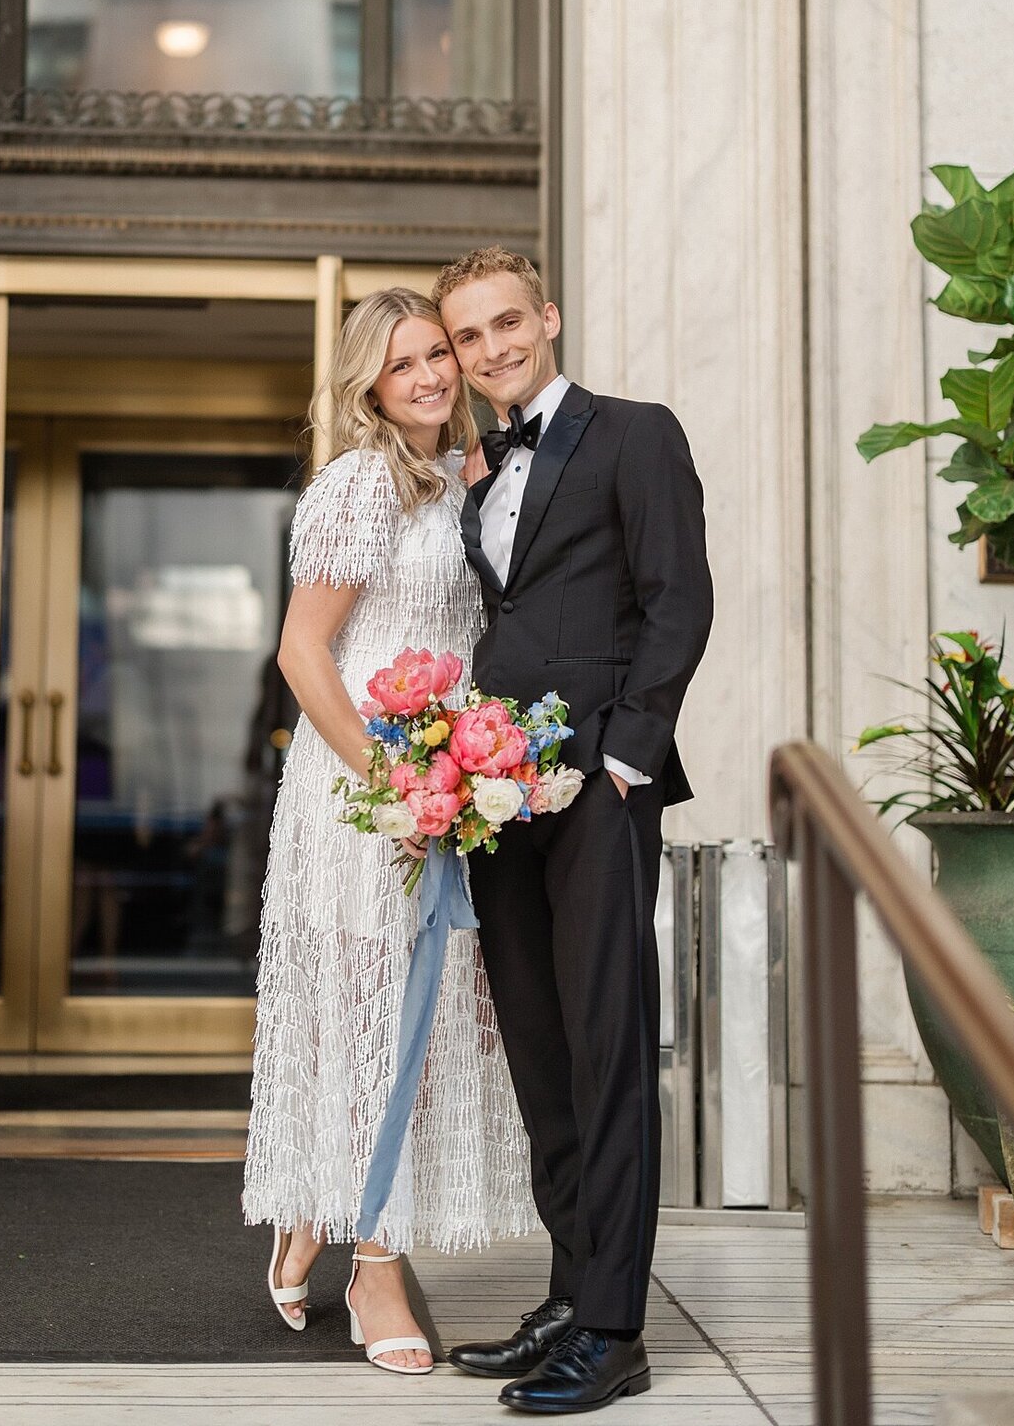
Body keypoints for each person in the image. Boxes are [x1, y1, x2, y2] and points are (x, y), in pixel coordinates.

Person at [435, 246, 714, 1415]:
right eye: (468, 338)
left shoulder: (634, 432)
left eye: (508, 323)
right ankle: (568, 1289)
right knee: (541, 1049)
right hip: (495, 797)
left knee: (607, 1048)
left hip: (595, 784)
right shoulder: (479, 469)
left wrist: (623, 757)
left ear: (547, 317)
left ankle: (615, 1327)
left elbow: (677, 598)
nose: (493, 348)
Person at [242, 287, 537, 1375]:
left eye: (438, 356)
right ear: (368, 381)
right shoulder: (358, 484)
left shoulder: (473, 478)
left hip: (451, 784)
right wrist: (390, 786)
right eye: (403, 362)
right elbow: (303, 653)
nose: (428, 377)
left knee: (430, 1023)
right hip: (361, 790)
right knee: (366, 1018)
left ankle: (326, 1211)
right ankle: (373, 1263)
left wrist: (464, 773)